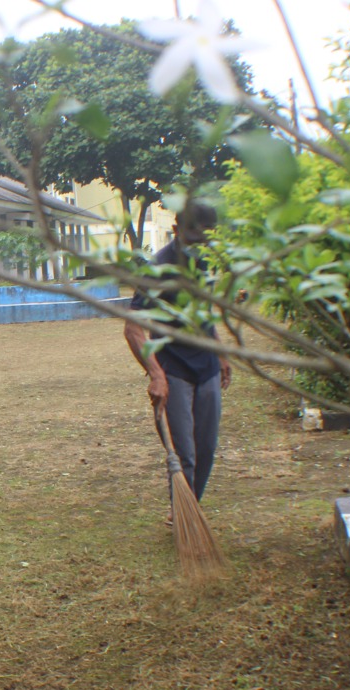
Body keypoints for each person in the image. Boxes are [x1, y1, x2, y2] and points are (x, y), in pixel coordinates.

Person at [124, 203, 232, 512]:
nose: (203, 245)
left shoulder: (204, 264)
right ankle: (183, 515)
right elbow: (133, 330)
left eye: (208, 239)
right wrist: (156, 374)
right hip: (174, 370)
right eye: (195, 237)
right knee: (185, 454)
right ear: (176, 231)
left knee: (207, 449)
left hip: (208, 367)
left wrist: (221, 353)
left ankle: (190, 511)